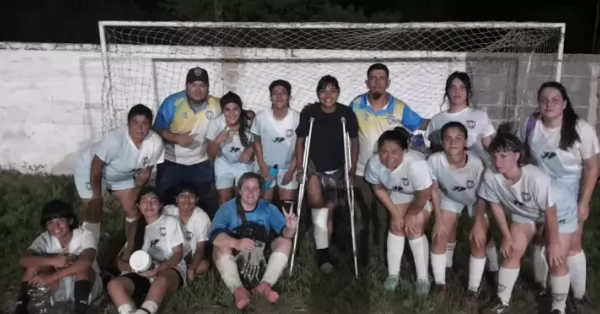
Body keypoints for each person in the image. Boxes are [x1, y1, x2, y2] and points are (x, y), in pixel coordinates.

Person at [521, 82, 599, 313]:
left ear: (565, 103)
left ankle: (576, 297)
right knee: (539, 239)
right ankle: (542, 286)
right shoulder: (530, 124)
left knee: (570, 245)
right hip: (538, 191)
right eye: (544, 99)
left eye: (555, 99)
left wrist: (584, 202)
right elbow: (521, 154)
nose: (549, 104)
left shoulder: (581, 129)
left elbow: (593, 168)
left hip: (567, 194)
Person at [478, 133, 571, 314]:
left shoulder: (536, 178)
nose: (498, 161)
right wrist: (506, 237)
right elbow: (495, 206)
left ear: (517, 155)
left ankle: (559, 308)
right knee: (511, 250)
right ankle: (502, 301)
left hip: (559, 212)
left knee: (556, 257)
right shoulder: (491, 175)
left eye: (504, 156)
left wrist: (553, 242)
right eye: (494, 156)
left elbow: (550, 212)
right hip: (525, 213)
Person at [349, 63, 428, 260]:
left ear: (388, 82)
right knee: (361, 217)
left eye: (381, 78)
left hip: (388, 175)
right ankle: (363, 260)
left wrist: (445, 122)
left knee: (385, 218)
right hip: (360, 172)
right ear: (367, 82)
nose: (377, 82)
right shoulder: (356, 104)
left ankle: (386, 259)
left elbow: (421, 124)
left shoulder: (399, 107)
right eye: (373, 79)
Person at [424, 71, 499, 275]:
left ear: (468, 91)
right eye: (452, 87)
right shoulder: (438, 120)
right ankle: (446, 268)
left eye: (462, 87)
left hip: (478, 184)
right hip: (450, 184)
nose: (457, 92)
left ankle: (493, 267)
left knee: (484, 229)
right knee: (448, 225)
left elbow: (490, 147)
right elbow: (435, 152)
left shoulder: (479, 116)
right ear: (447, 91)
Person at [295, 75, 359, 273]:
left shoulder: (346, 114)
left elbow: (354, 141)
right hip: (314, 166)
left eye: (332, 91)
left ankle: (326, 250)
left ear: (338, 93)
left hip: (337, 168)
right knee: (317, 204)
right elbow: (300, 142)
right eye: (323, 91)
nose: (328, 95)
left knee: (330, 210)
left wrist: (352, 169)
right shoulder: (309, 113)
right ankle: (323, 255)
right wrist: (300, 168)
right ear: (318, 94)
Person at [75, 104, 164, 243]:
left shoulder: (155, 143)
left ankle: (128, 248)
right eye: (135, 123)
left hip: (121, 175)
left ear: (150, 125)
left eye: (145, 123)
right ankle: (88, 253)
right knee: (94, 211)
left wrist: (136, 193)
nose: (140, 128)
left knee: (133, 211)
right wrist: (97, 197)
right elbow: (96, 168)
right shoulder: (114, 139)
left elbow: (145, 173)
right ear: (128, 124)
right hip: (90, 169)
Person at [208, 172, 298, 310]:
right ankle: (238, 290)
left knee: (285, 242)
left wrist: (290, 228)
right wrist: (237, 243)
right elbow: (214, 236)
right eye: (247, 188)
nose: (251, 192)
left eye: (255, 188)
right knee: (221, 246)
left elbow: (286, 234)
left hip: (261, 254)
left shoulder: (268, 208)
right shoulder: (227, 208)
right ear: (239, 191)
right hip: (235, 256)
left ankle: (264, 285)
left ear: (260, 191)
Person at [426, 121, 490, 305]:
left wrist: (478, 223)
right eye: (447, 138)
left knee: (478, 239)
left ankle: (473, 289)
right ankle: (440, 283)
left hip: (475, 201)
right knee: (439, 235)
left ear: (466, 141)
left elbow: (483, 196)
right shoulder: (434, 160)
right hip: (450, 198)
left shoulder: (477, 163)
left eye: (458, 138)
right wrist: (438, 219)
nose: (453, 143)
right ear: (442, 141)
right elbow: (434, 190)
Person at [364, 127, 432, 295]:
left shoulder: (416, 164)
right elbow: (377, 186)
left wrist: (411, 215)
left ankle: (423, 278)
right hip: (397, 195)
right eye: (384, 152)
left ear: (404, 150)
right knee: (396, 226)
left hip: (419, 196)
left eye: (395, 152)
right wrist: (395, 214)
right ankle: (393, 275)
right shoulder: (374, 163)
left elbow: (424, 194)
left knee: (414, 226)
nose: (389, 157)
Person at [13, 200, 103, 314]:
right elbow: (23, 261)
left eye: (60, 221)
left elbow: (86, 262)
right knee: (33, 266)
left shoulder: (84, 235)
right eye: (50, 222)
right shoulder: (45, 238)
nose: (56, 226)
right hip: (60, 286)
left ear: (70, 220)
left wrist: (52, 277)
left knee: (81, 267)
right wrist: (54, 260)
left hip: (86, 285)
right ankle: (20, 308)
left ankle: (80, 310)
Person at [107, 187, 186, 314]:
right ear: (138, 205)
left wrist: (160, 267)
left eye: (153, 201)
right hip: (143, 272)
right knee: (114, 285)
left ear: (160, 205)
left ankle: (145, 311)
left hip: (170, 269)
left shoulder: (169, 222)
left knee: (160, 281)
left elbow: (178, 254)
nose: (149, 205)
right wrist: (133, 268)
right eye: (144, 201)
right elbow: (126, 256)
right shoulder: (135, 226)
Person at [153, 67, 221, 207]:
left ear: (208, 88)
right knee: (167, 205)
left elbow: (235, 112)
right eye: (193, 85)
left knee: (201, 205)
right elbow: (155, 130)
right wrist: (174, 137)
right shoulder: (172, 103)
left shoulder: (216, 105)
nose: (197, 90)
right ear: (186, 86)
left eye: (202, 85)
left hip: (201, 163)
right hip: (171, 163)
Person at [251, 80, 300, 203]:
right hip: (265, 167)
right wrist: (262, 165)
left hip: (288, 168)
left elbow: (301, 146)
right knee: (263, 204)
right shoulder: (261, 117)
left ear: (289, 97)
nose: (279, 96)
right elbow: (256, 141)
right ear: (270, 97)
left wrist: (291, 170)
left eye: (283, 93)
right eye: (275, 93)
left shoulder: (297, 118)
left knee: (288, 206)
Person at [205, 92, 256, 205]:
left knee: (244, 198)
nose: (232, 113)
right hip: (224, 163)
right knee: (224, 199)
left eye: (235, 109)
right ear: (223, 111)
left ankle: (242, 222)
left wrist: (250, 149)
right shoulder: (216, 123)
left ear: (240, 109)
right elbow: (210, 154)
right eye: (227, 109)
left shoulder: (249, 119)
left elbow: (259, 138)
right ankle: (224, 222)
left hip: (244, 165)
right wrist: (217, 141)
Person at [162, 183, 212, 282]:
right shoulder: (167, 211)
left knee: (203, 266)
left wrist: (192, 269)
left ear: (197, 200)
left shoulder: (202, 217)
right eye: (182, 196)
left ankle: (183, 274)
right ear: (176, 199)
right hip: (169, 253)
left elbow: (200, 248)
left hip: (188, 257)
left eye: (191, 196)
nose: (187, 199)